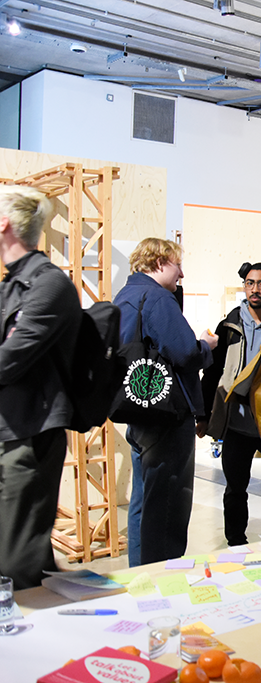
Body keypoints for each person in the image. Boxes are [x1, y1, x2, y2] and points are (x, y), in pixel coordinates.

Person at [115, 238, 217, 566]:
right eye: (176, 265)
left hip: (141, 412)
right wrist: (206, 345)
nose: (181, 273)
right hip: (168, 417)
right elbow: (185, 351)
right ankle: (163, 579)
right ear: (159, 263)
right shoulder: (158, 298)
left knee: (143, 502)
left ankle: (139, 573)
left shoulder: (126, 296)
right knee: (169, 504)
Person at [0, 186, 82, 589]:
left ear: (4, 224)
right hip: (8, 433)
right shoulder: (10, 285)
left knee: (14, 566)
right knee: (21, 555)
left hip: (28, 438)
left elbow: (7, 362)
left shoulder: (49, 286)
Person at [199, 260, 261, 545]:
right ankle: (235, 542)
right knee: (235, 488)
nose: (255, 290)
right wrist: (202, 416)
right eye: (250, 283)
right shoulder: (229, 325)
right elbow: (212, 373)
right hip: (238, 423)